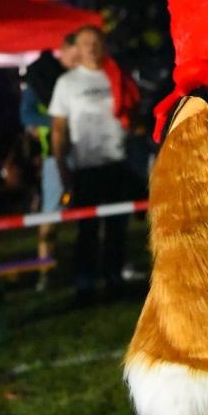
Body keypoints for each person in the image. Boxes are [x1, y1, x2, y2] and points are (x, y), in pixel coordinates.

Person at [48, 25, 139, 304]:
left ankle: (114, 280)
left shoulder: (117, 76)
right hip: (86, 167)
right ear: (77, 48)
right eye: (85, 43)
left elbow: (132, 114)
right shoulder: (67, 83)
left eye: (96, 42)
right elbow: (58, 129)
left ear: (104, 45)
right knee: (87, 230)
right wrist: (61, 165)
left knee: (117, 228)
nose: (91, 47)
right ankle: (84, 285)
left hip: (117, 163)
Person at [20, 32, 79, 289]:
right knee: (51, 213)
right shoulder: (41, 78)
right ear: (64, 49)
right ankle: (45, 271)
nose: (78, 59)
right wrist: (59, 122)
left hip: (85, 152)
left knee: (92, 209)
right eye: (75, 54)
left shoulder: (79, 76)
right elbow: (26, 115)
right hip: (54, 155)